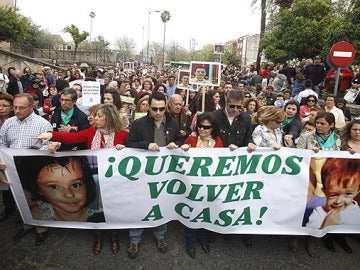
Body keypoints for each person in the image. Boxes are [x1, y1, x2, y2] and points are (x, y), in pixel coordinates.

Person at [36, 103, 128, 255]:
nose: (94, 118)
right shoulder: (91, 132)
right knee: (97, 208)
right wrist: (52, 135)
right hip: (95, 177)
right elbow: (73, 137)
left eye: (99, 116)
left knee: (114, 208)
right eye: (94, 115)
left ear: (109, 118)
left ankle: (114, 236)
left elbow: (133, 153)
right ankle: (98, 236)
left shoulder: (123, 135)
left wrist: (124, 150)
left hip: (115, 181)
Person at [125, 91, 183, 259]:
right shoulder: (138, 123)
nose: (158, 113)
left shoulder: (173, 123)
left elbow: (180, 140)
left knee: (161, 203)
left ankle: (160, 236)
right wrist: (145, 145)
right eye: (154, 109)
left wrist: (176, 143)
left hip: (164, 174)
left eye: (162, 109)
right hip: (143, 173)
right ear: (148, 107)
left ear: (167, 107)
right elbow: (129, 142)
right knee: (139, 204)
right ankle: (135, 239)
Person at [0, 93, 53, 246]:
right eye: (15, 107)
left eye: (21, 108)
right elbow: (2, 143)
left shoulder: (43, 124)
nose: (16, 111)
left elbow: (48, 146)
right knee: (20, 198)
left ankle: (41, 228)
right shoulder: (8, 123)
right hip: (12, 168)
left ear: (32, 107)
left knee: (37, 199)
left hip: (33, 169)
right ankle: (27, 223)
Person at [297, 112, 341, 257]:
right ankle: (294, 236)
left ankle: (312, 239)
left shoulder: (337, 140)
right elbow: (297, 157)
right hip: (307, 181)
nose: (319, 126)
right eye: (317, 123)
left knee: (321, 213)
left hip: (327, 184)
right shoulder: (307, 136)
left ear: (332, 125)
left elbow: (340, 160)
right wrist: (309, 153)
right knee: (303, 210)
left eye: (323, 123)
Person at [181, 112, 223, 258]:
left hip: (209, 185)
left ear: (213, 128)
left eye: (206, 127)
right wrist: (183, 149)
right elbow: (181, 160)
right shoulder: (191, 139)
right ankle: (190, 241)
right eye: (200, 126)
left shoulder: (218, 142)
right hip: (192, 185)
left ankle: (203, 239)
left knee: (206, 213)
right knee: (191, 212)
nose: (202, 130)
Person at [14, 156, 103, 222]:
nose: (69, 195)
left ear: (86, 183)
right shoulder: (38, 213)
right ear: (38, 189)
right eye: (54, 187)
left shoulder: (98, 216)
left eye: (75, 185)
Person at [305, 158, 359, 254]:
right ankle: (322, 241)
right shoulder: (319, 212)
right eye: (333, 195)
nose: (339, 201)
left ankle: (342, 241)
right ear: (324, 192)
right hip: (321, 227)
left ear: (357, 192)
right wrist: (325, 224)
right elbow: (310, 228)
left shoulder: (356, 210)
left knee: (343, 234)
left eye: (348, 194)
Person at [0, 93, 14, 222]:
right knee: (4, 185)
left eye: (4, 106)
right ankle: (8, 207)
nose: (1, 108)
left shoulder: (16, 120)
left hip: (13, 159)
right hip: (1, 160)